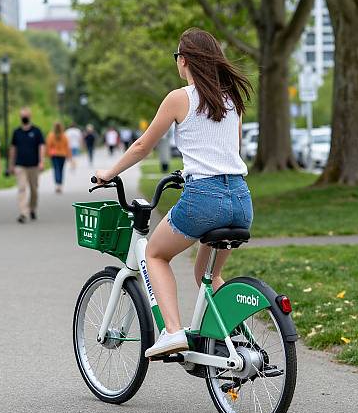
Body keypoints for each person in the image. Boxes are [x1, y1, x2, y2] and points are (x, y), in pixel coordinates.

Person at [94, 28, 253, 358]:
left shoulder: (180, 97)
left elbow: (141, 146)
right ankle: (236, 343)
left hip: (204, 199)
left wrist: (108, 173)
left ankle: (173, 331)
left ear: (184, 61)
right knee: (208, 275)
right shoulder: (232, 100)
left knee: (154, 254)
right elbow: (229, 150)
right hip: (240, 198)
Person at [9, 107, 45, 224]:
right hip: (20, 165)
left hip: (33, 165)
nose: (24, 118)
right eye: (22, 116)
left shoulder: (37, 131)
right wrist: (11, 164)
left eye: (26, 115)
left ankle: (32, 208)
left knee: (34, 189)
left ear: (30, 117)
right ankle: (23, 213)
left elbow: (41, 147)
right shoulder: (16, 132)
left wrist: (41, 161)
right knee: (21, 188)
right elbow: (13, 148)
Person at [46, 122, 71, 193]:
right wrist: (69, 156)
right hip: (62, 155)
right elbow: (67, 146)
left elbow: (48, 145)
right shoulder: (64, 136)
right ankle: (60, 185)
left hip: (54, 155)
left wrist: (47, 154)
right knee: (61, 170)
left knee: (56, 169)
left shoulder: (51, 135)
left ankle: (57, 185)